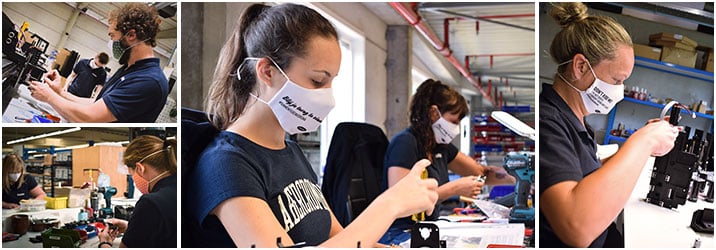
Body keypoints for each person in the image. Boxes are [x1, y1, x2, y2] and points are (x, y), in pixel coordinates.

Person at [185, 3, 438, 247]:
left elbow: (338, 238)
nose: (327, 97)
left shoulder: (290, 150)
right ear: (267, 72)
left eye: (331, 82)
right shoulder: (225, 164)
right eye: (318, 81)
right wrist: (390, 205)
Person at [539, 3, 679, 248]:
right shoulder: (547, 122)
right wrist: (641, 142)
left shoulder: (576, 121)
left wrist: (644, 147)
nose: (620, 91)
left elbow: (585, 176)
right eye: (616, 79)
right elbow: (576, 228)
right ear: (581, 66)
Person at [379, 79, 516, 245]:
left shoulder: (440, 147)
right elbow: (401, 201)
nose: (456, 129)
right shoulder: (405, 143)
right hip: (398, 233)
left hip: (426, 229)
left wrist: (519, 174)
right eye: (453, 122)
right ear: (433, 113)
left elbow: (481, 173)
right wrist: (455, 188)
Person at [28, 3, 168, 122]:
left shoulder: (149, 81)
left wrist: (49, 97)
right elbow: (97, 104)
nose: (111, 43)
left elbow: (89, 117)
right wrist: (60, 92)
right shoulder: (129, 69)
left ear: (131, 35)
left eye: (112, 36)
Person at [97, 135, 177, 248]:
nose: (133, 180)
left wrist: (105, 243)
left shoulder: (151, 203)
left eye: (131, 175)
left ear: (140, 168)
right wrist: (133, 228)